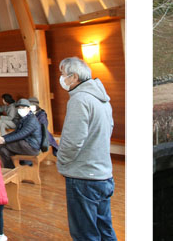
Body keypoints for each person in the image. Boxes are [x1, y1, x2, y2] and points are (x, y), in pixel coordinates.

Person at [57, 57, 116, 241]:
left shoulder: (80, 100)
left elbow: (72, 141)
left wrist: (62, 161)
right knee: (105, 230)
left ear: (74, 77)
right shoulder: (102, 99)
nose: (61, 79)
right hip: (103, 175)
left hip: (84, 178)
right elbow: (109, 128)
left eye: (63, 74)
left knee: (85, 234)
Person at [0, 99, 41, 168]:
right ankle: (10, 170)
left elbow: (22, 134)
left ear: (29, 108)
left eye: (23, 107)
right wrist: (3, 138)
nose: (20, 109)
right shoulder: (24, 118)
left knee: (0, 146)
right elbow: (16, 132)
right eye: (19, 108)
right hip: (24, 144)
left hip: (32, 147)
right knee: (3, 150)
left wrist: (4, 140)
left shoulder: (31, 120)